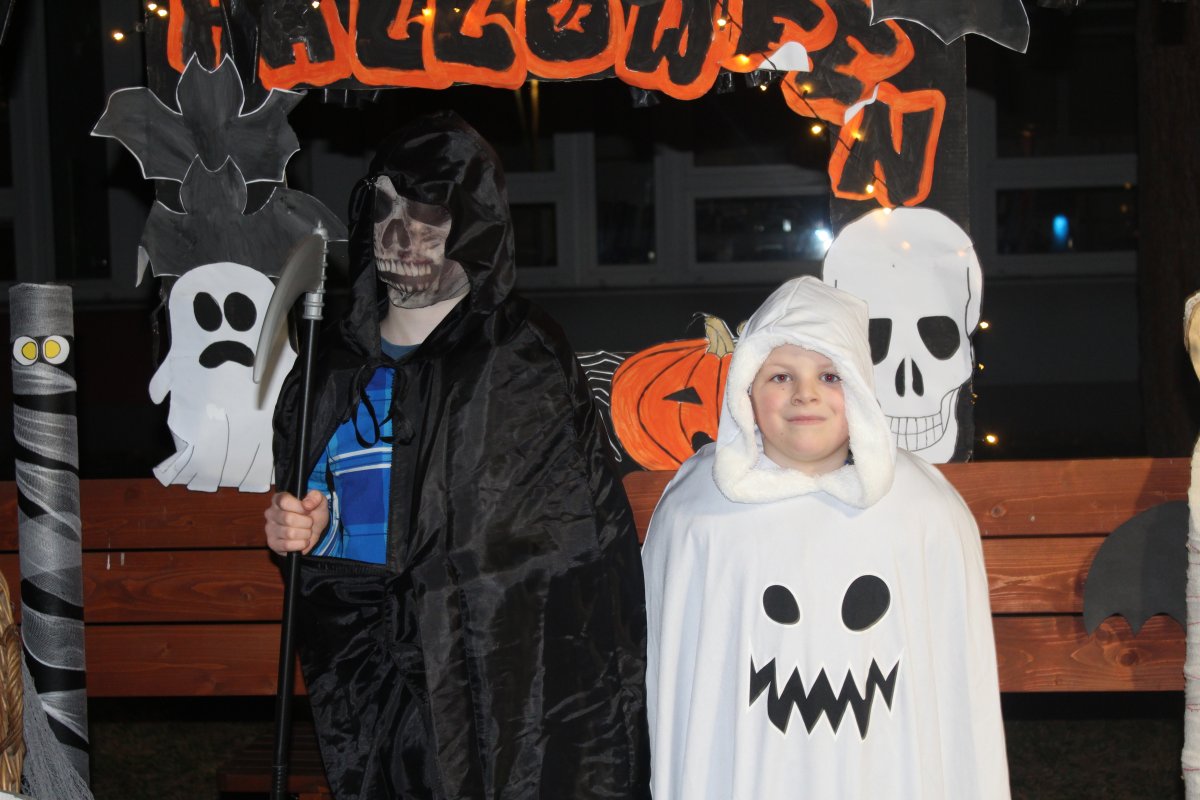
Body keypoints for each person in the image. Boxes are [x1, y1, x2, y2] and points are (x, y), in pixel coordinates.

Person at [264, 112, 650, 799]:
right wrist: (300, 529)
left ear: (472, 224)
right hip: (368, 668)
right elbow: (319, 513)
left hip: (492, 668)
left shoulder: (518, 355)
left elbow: (564, 540)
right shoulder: (333, 364)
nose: (397, 235)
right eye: (384, 209)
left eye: (425, 214)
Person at [641, 276, 1009, 799]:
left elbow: (955, 683)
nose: (805, 394)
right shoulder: (698, 515)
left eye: (830, 375)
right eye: (781, 376)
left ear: (859, 386)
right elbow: (681, 680)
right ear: (746, 388)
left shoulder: (922, 512)